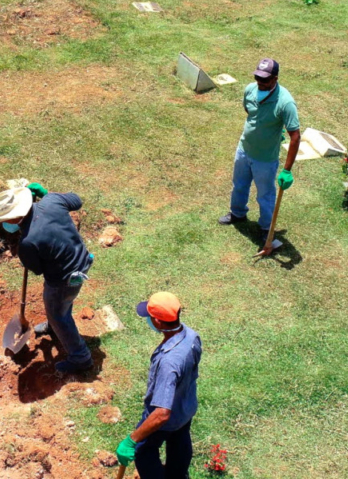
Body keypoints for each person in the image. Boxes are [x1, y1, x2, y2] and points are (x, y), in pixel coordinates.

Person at [0, 183, 94, 375]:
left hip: (63, 280)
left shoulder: (28, 242)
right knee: (63, 304)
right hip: (82, 263)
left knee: (59, 313)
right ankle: (54, 326)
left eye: (4, 218)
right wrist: (47, 194)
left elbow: (37, 269)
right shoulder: (52, 201)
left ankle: (81, 358)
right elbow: (76, 200)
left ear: (14, 217)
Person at [115, 292, 202, 479]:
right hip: (185, 409)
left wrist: (131, 441)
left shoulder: (169, 362)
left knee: (143, 451)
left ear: (158, 322)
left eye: (150, 317)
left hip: (165, 418)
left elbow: (162, 414)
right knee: (179, 440)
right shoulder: (192, 336)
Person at [218, 57, 300, 254]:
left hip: (266, 158)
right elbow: (249, 111)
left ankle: (266, 229)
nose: (260, 82)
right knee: (239, 185)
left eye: (264, 79)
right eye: (257, 77)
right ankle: (237, 214)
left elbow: (295, 135)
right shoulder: (250, 89)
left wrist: (287, 170)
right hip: (244, 149)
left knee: (265, 196)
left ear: (275, 78)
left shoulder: (285, 102)